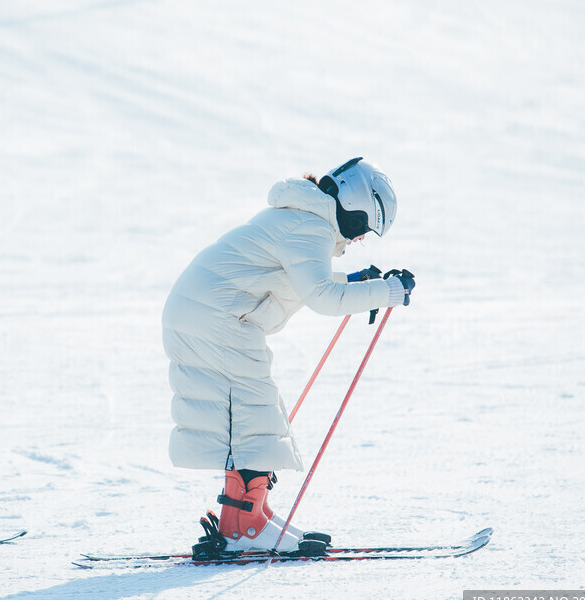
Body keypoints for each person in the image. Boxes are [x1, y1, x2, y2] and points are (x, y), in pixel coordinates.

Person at [162, 157, 415, 553]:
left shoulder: (303, 219)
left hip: (209, 313)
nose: (360, 238)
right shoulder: (309, 226)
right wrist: (389, 292)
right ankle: (242, 528)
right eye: (363, 226)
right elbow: (322, 298)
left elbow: (302, 277)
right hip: (218, 317)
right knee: (251, 414)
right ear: (352, 205)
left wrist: (355, 282)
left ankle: (250, 517)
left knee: (254, 412)